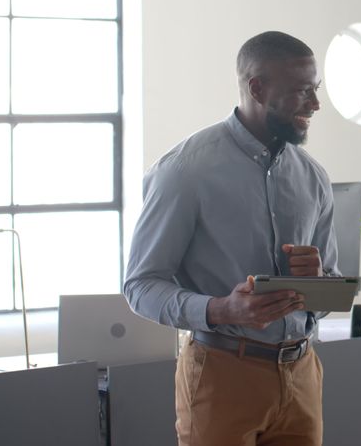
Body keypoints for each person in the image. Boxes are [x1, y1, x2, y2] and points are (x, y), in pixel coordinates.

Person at [124, 30, 340, 446]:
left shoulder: (313, 177)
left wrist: (320, 283)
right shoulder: (184, 172)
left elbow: (331, 292)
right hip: (222, 375)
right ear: (257, 88)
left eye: (315, 90)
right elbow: (139, 286)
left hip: (302, 375)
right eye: (302, 91)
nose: (315, 104)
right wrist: (222, 309)